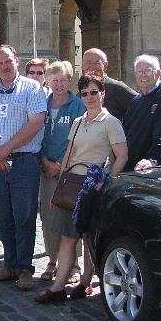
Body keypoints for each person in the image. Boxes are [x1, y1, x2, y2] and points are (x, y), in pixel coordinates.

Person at [35, 74, 127, 304]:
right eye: (84, 93)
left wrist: (106, 181)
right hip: (72, 184)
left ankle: (85, 282)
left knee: (88, 239)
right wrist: (59, 188)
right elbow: (69, 154)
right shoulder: (78, 122)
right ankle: (58, 288)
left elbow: (122, 155)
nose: (89, 97)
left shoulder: (111, 122)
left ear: (103, 94)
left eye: (94, 92)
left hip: (93, 185)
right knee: (68, 237)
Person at [0, 45, 46, 291]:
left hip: (24, 160)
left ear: (17, 60)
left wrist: (6, 149)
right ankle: (10, 264)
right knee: (2, 215)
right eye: (0, 63)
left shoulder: (32, 88)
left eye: (8, 61)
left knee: (24, 215)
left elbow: (36, 123)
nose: (4, 66)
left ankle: (25, 268)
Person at [38, 61, 85, 282]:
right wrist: (45, 162)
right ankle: (52, 260)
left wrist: (59, 163)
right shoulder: (42, 104)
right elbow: (35, 134)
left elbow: (77, 139)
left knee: (68, 217)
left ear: (69, 80)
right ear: (47, 81)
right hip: (46, 168)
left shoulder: (77, 106)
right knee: (48, 217)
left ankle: (74, 264)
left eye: (63, 80)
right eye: (54, 80)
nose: (59, 84)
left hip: (68, 171)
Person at [123, 54, 161, 172]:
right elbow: (126, 134)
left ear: (158, 73)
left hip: (154, 168)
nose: (143, 75)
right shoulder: (135, 102)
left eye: (147, 71)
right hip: (132, 168)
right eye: (139, 71)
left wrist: (152, 159)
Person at [81, 48, 136, 122]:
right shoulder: (81, 91)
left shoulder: (117, 88)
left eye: (97, 63)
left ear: (105, 65)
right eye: (88, 63)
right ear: (82, 65)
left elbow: (140, 105)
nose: (92, 66)